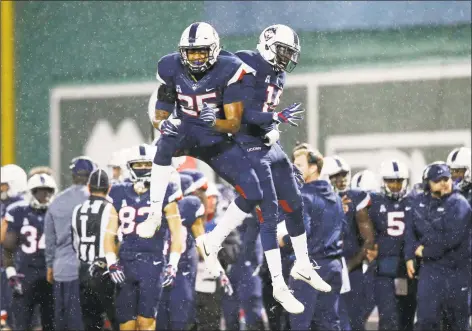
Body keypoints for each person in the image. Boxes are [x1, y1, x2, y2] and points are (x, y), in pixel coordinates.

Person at [207, 24, 330, 314]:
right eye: (284, 50)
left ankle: (302, 264)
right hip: (239, 138)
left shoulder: (279, 73)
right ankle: (278, 284)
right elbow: (241, 112)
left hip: (261, 140)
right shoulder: (246, 62)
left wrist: (272, 126)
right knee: (269, 209)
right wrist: (274, 117)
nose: (287, 57)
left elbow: (263, 114)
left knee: (294, 200)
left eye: (291, 53)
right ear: (268, 43)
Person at [104, 143, 183, 331]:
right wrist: (111, 262)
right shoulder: (118, 191)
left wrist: (173, 264)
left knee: (146, 322)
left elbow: (177, 233)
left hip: (153, 262)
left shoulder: (166, 191)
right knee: (126, 323)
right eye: (137, 165)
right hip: (126, 262)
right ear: (129, 167)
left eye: (147, 164)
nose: (143, 169)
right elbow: (109, 234)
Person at [404, 162, 471, 331]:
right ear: (428, 183)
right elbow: (410, 231)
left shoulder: (459, 203)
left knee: (457, 323)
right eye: (438, 180)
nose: (444, 183)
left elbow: (451, 239)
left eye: (446, 179)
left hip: (456, 270)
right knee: (426, 321)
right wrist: (409, 256)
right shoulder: (419, 202)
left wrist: (424, 251)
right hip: (430, 270)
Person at [283, 148, 345, 330]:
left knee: (300, 323)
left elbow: (302, 232)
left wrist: (283, 241)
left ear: (313, 168)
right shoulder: (336, 196)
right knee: (329, 324)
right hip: (333, 266)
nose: (293, 168)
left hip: (309, 267)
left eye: (299, 165)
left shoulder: (302, 196)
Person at [321, 155, 375, 331]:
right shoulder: (315, 199)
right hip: (326, 266)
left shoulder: (356, 198)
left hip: (351, 268)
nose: (342, 179)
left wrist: (351, 264)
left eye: (344, 174)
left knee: (353, 322)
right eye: (336, 175)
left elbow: (368, 238)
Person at [45, 156, 96, 330]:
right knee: (84, 322)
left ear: (73, 175)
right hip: (88, 269)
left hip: (60, 268)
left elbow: (50, 239)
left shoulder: (57, 201)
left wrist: (50, 265)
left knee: (62, 321)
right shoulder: (96, 199)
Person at [3, 174, 57, 331]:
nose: (44, 196)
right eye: (39, 192)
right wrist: (11, 272)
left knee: (50, 323)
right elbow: (8, 247)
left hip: (49, 274)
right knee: (22, 323)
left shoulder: (57, 212)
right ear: (30, 192)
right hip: (25, 275)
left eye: (47, 191)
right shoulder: (18, 211)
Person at [368, 160, 417, 330]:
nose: (395, 185)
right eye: (391, 181)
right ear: (383, 182)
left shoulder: (414, 201)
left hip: (407, 267)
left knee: (407, 318)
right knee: (388, 317)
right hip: (384, 268)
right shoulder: (373, 201)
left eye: (399, 181)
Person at [71, 168, 119, 331]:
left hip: (83, 271)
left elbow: (74, 243)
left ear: (89, 187)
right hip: (105, 271)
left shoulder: (77, 209)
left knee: (90, 323)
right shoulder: (111, 209)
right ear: (109, 188)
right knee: (116, 320)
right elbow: (117, 242)